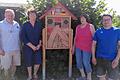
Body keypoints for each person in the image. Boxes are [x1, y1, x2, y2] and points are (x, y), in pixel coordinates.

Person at [92, 14, 120, 80]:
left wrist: (117, 59)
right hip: (100, 59)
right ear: (102, 21)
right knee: (101, 77)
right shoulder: (98, 31)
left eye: (108, 19)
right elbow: (93, 45)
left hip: (112, 59)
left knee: (113, 78)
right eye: (104, 20)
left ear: (111, 21)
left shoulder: (117, 31)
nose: (106, 21)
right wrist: (93, 57)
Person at [20, 8, 42, 80]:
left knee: (38, 61)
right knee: (28, 61)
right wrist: (31, 46)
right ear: (28, 16)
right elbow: (22, 37)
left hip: (37, 46)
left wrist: (39, 44)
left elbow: (41, 35)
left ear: (36, 15)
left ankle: (35, 74)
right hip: (28, 47)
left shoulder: (39, 24)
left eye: (34, 14)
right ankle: (29, 76)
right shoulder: (25, 25)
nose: (32, 16)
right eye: (31, 14)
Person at [73, 14, 95, 80]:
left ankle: (89, 77)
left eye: (83, 18)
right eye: (81, 18)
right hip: (78, 47)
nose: (82, 19)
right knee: (78, 62)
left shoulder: (90, 26)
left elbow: (94, 38)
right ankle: (83, 76)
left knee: (86, 62)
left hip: (87, 47)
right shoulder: (78, 27)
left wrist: (94, 48)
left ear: (86, 19)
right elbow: (75, 37)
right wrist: (73, 47)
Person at [0, 9, 21, 80]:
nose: (10, 17)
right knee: (5, 66)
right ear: (5, 15)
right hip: (5, 50)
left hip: (16, 49)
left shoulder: (17, 24)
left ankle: (12, 76)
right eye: (8, 15)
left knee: (14, 65)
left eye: (12, 15)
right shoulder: (1, 24)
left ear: (14, 16)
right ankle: (5, 78)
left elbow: (19, 37)